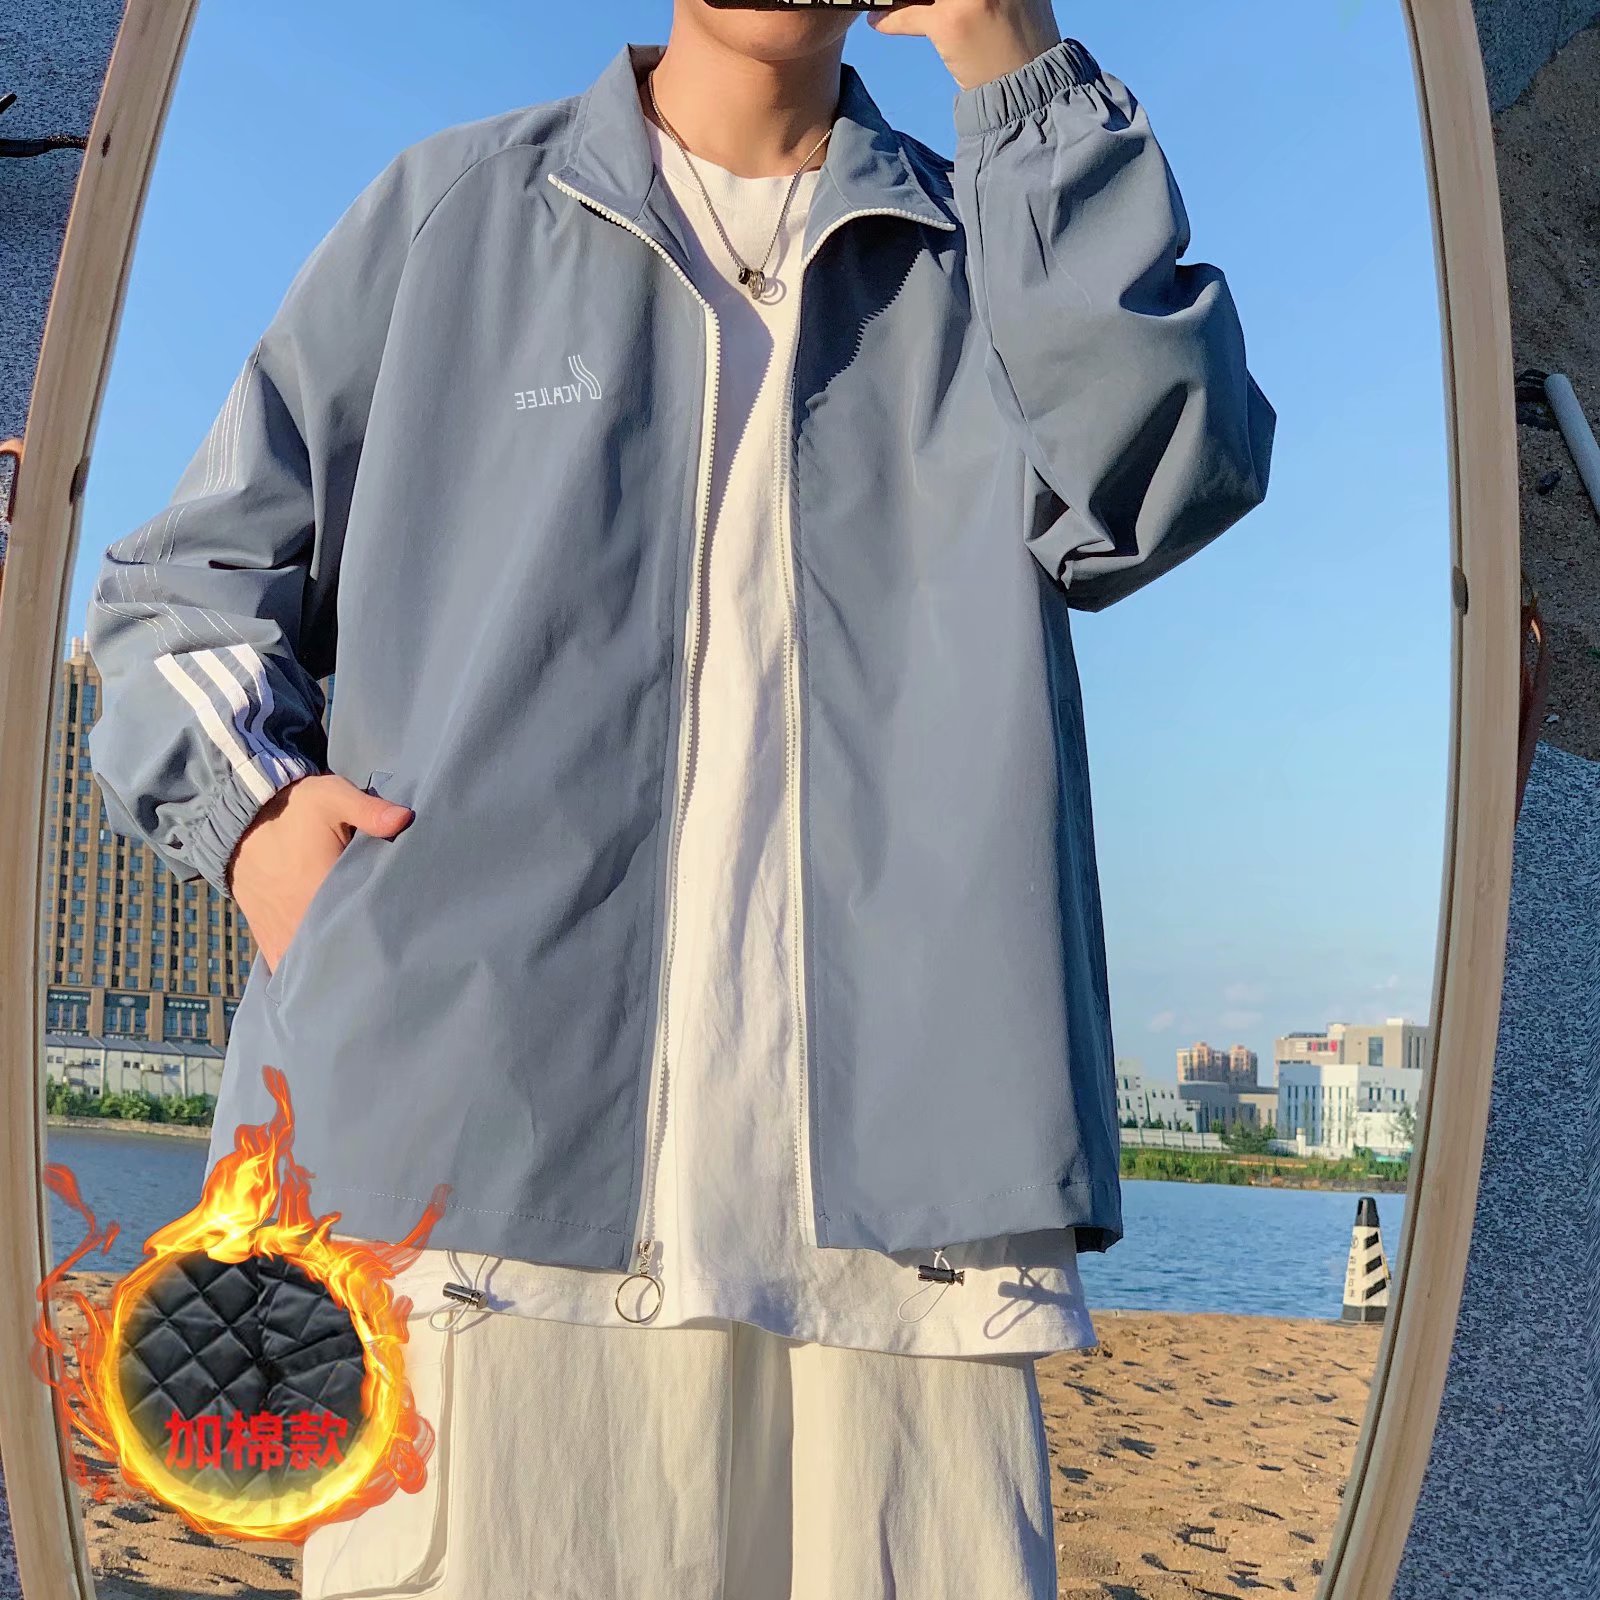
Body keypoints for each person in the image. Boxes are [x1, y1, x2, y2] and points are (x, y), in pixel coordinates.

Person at [85, 1, 1275, 1593]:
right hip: (469, 1206)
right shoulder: (452, 213)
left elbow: (1160, 477)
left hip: (908, 1257)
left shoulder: (984, 251)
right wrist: (258, 823)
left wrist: (1017, 62)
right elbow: (173, 596)